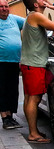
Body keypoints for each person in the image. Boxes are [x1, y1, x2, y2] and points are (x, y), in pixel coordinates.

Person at [20, 0, 54, 143]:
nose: (45, 0)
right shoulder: (35, 16)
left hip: (30, 63)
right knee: (34, 98)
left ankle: (34, 131)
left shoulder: (33, 17)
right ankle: (33, 134)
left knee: (29, 97)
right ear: (36, 4)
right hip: (34, 64)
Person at [0, 0, 25, 130]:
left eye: (6, 6)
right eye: (1, 7)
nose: (4, 9)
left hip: (14, 61)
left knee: (12, 90)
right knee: (2, 90)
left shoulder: (14, 19)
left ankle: (10, 117)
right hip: (1, 61)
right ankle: (5, 118)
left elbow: (30, 24)